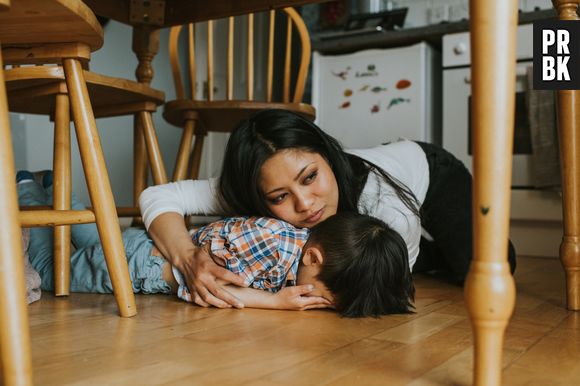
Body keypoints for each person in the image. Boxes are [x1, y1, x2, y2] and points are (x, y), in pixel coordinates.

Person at [140, 109, 517, 309]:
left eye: (310, 177)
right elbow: (157, 197)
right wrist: (188, 257)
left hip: (430, 171)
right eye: (278, 198)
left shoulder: (385, 207)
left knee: (490, 264)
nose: (305, 204)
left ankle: (432, 252)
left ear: (327, 156)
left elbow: (390, 286)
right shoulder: (255, 181)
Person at [17, 171, 413, 316]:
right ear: (314, 256)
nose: (314, 304)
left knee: (91, 237)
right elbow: (215, 289)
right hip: (140, 266)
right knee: (51, 268)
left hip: (138, 247)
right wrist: (274, 302)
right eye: (322, 298)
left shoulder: (298, 246)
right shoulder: (274, 247)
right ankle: (26, 191)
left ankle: (59, 188)